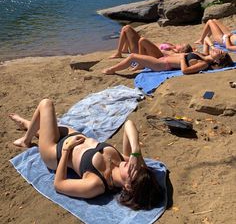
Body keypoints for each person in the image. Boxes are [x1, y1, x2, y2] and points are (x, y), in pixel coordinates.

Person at [9, 99, 163, 210]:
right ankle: (27, 125)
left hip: (54, 152)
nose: (132, 165)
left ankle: (26, 140)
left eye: (133, 171)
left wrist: (65, 151)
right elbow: (129, 124)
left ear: (128, 186)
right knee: (44, 127)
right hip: (71, 135)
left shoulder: (95, 184)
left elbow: (59, 185)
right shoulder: (126, 160)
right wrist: (136, 152)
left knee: (46, 104)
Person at [103, 37, 233, 75]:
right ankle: (139, 65)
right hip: (163, 59)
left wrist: (182, 58)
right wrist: (211, 46)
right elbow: (206, 39)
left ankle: (112, 70)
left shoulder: (204, 64)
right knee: (141, 43)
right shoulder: (204, 57)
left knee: (132, 56)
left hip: (163, 65)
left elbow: (185, 71)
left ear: (218, 60)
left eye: (220, 52)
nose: (218, 50)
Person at [109, 24, 192, 59]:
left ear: (181, 50)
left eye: (181, 45)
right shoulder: (172, 46)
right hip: (142, 47)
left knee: (127, 28)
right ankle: (123, 50)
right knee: (126, 28)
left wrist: (173, 49)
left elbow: (184, 55)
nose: (179, 43)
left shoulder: (172, 52)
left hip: (140, 52)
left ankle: (119, 53)